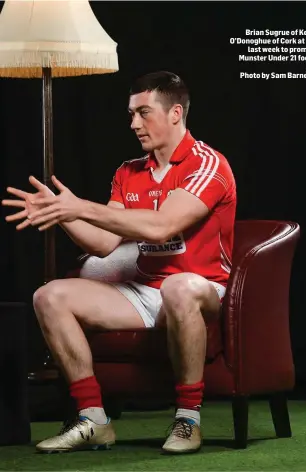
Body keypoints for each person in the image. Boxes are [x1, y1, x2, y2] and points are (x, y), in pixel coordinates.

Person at [2, 71, 237, 454]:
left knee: (179, 287)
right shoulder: (129, 172)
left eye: (144, 113)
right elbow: (103, 243)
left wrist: (82, 206)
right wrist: (62, 212)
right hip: (145, 293)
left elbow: (162, 227)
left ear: (175, 112)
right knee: (50, 296)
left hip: (201, 289)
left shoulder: (207, 165)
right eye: (131, 114)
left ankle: (188, 418)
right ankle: (94, 419)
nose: (134, 124)